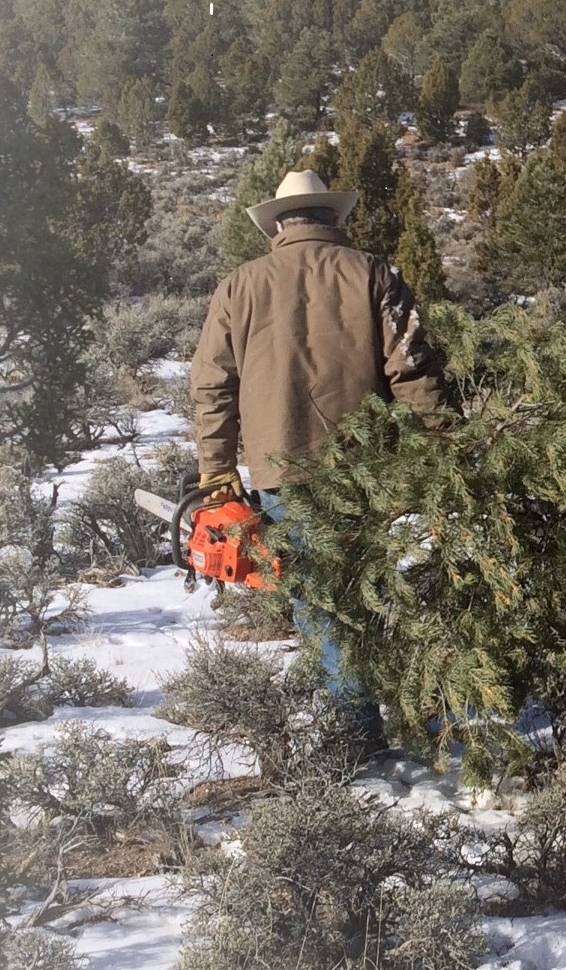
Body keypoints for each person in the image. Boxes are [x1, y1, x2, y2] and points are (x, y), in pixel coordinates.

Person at [191, 168, 451, 757]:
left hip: (284, 474)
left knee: (323, 605)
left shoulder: (240, 285)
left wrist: (216, 468)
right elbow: (413, 372)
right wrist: (444, 450)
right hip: (372, 470)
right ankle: (418, 721)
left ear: (279, 224)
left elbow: (211, 387)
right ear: (333, 218)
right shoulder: (374, 274)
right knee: (392, 591)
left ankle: (358, 739)